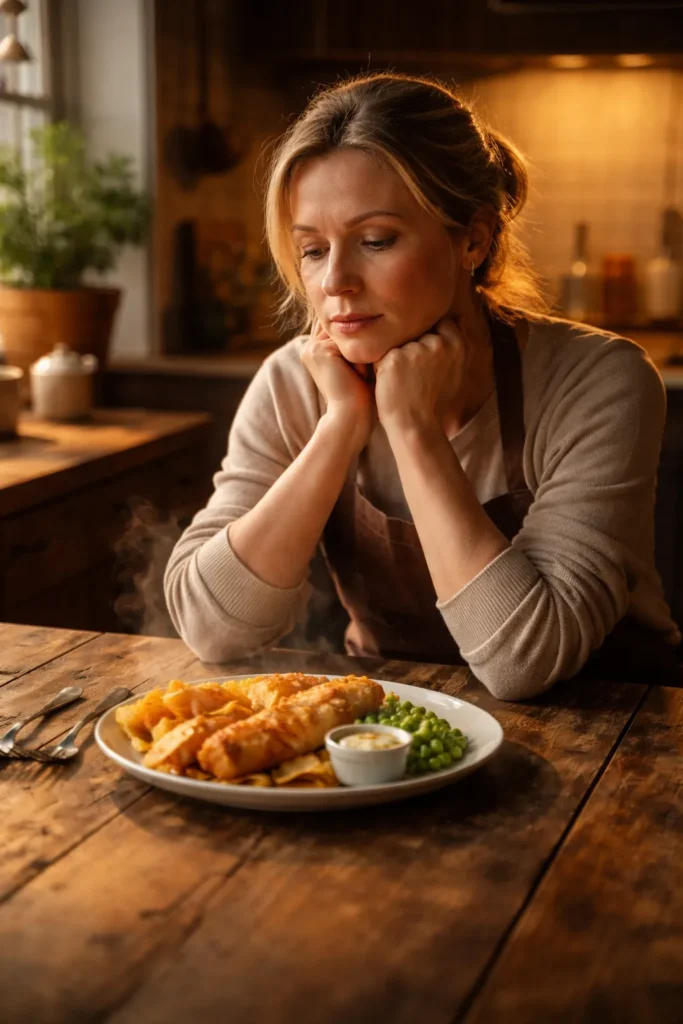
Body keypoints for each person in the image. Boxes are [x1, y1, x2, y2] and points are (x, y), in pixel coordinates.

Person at [164, 72, 680, 701]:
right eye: (313, 250)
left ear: (473, 238)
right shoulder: (293, 384)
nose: (335, 283)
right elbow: (211, 628)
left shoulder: (599, 381)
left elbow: (528, 661)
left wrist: (410, 427)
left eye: (375, 240)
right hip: (392, 734)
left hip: (612, 740)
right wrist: (340, 426)